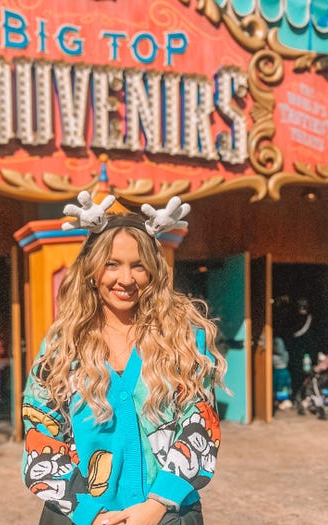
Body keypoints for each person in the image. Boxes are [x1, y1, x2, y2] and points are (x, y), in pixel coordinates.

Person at [22, 195, 227, 525]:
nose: (126, 279)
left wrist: (156, 507)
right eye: (112, 264)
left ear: (154, 271)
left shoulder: (183, 336)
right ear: (92, 269)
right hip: (79, 516)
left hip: (166, 515)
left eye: (138, 265)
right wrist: (93, 514)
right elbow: (40, 433)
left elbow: (199, 423)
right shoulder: (62, 345)